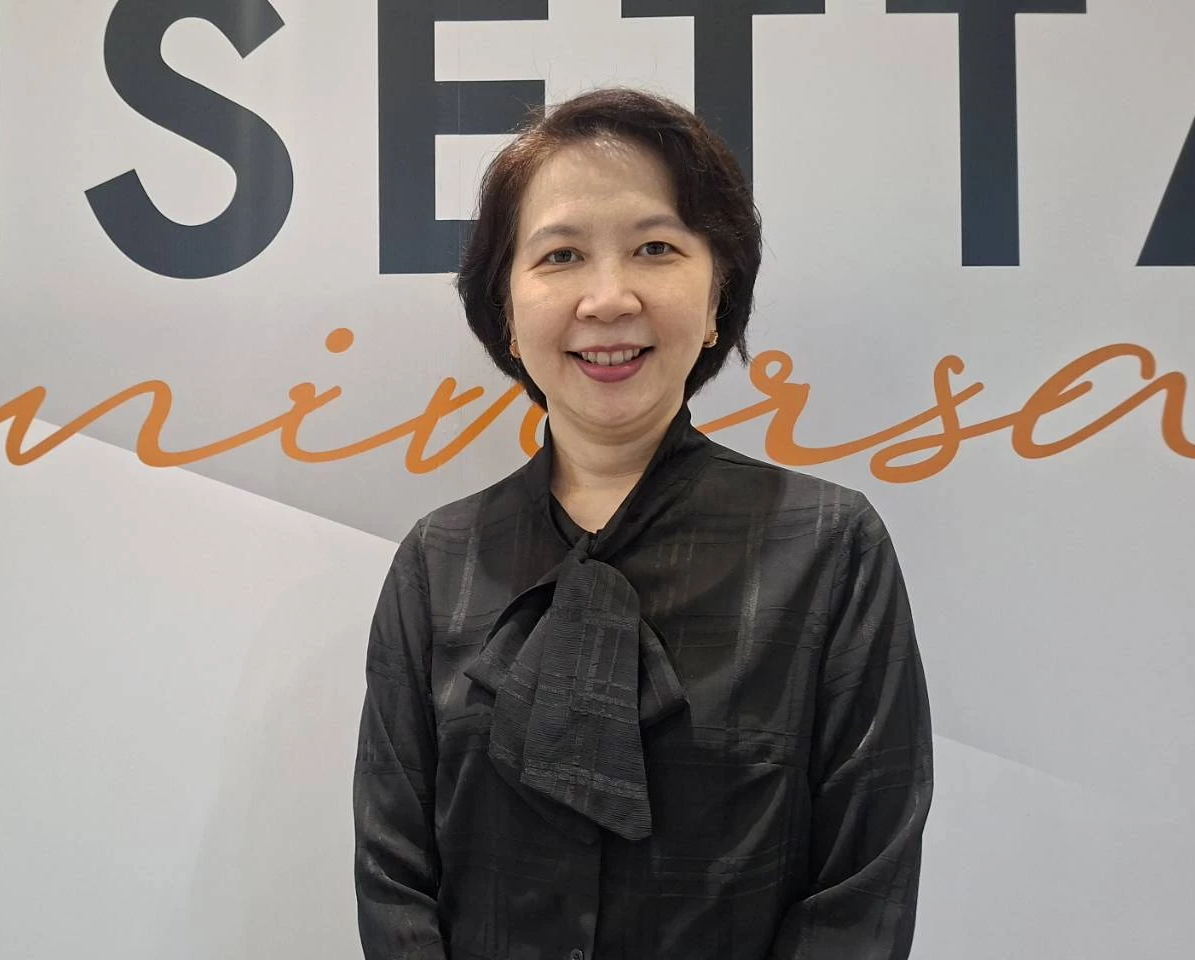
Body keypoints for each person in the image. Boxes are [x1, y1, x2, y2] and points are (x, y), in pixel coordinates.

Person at [352, 87, 934, 959]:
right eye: (560, 256)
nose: (608, 298)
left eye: (655, 248)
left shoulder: (827, 546)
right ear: (505, 311)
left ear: (716, 295)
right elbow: (394, 876)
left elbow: (860, 891)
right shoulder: (439, 562)